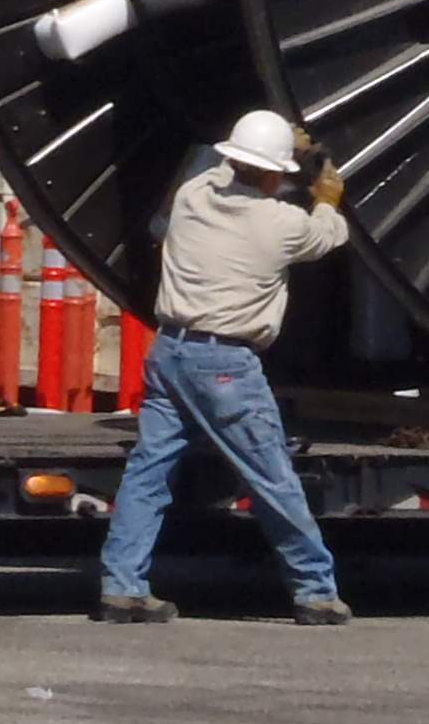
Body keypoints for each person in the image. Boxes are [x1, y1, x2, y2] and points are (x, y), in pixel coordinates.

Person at [92, 110, 355, 627]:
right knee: (272, 478)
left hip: (169, 353)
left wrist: (271, 148)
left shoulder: (192, 196)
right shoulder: (282, 224)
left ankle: (121, 586)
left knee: (148, 474)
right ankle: (316, 592)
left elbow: (210, 167)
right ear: (276, 174)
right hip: (226, 366)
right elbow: (329, 235)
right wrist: (326, 194)